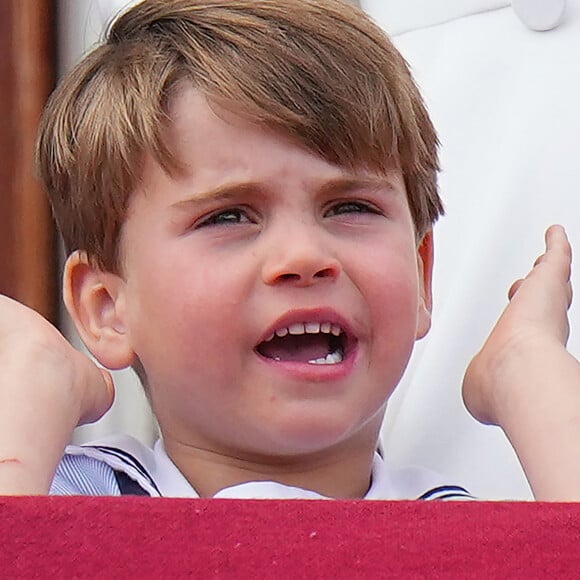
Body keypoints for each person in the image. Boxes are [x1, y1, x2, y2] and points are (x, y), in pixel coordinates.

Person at [0, 0, 574, 500]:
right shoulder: (81, 497)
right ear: (107, 307)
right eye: (228, 216)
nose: (305, 255)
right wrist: (27, 408)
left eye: (350, 208)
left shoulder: (458, 531)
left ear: (422, 276)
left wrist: (529, 375)